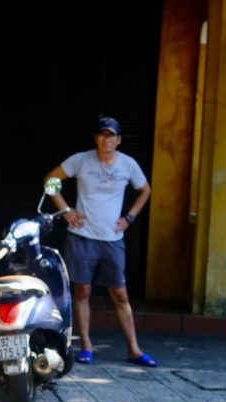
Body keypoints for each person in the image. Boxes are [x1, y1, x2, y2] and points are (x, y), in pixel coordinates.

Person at [44, 116, 155, 367]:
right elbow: (50, 181)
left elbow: (145, 190)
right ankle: (86, 346)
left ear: (118, 140)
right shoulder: (81, 160)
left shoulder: (128, 164)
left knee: (120, 294)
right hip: (82, 237)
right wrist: (66, 211)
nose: (107, 139)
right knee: (82, 291)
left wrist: (129, 218)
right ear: (96, 138)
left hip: (112, 238)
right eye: (102, 134)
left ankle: (134, 350)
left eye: (111, 135)